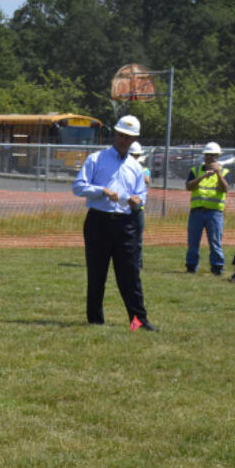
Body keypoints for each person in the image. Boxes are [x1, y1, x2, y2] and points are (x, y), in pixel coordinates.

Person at [71, 114, 157, 331]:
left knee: (130, 274)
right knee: (97, 272)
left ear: (134, 139)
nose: (123, 140)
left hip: (125, 223)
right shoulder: (96, 159)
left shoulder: (135, 167)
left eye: (128, 137)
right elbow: (78, 186)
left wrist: (138, 200)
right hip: (98, 221)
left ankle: (139, 320)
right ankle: (95, 320)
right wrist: (102, 191)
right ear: (115, 134)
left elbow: (141, 195)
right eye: (120, 135)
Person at [185, 141, 230, 275]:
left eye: (213, 156)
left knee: (215, 241)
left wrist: (218, 174)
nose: (210, 158)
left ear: (218, 157)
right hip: (197, 211)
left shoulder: (225, 172)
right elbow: (188, 186)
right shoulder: (196, 171)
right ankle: (191, 266)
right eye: (207, 155)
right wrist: (203, 176)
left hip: (214, 213)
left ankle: (217, 267)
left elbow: (225, 189)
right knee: (193, 241)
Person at [130, 142, 150, 269]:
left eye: (136, 155)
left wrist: (136, 167)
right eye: (132, 155)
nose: (134, 157)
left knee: (137, 239)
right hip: (124, 209)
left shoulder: (144, 169)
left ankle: (138, 263)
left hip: (138, 209)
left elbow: (147, 180)